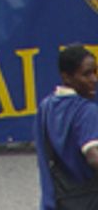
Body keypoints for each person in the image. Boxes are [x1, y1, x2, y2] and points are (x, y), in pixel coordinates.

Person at [35, 43, 98, 210]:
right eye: (86, 74)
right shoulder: (87, 110)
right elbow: (93, 156)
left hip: (58, 199)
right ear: (67, 77)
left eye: (94, 72)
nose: (94, 79)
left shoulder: (46, 107)